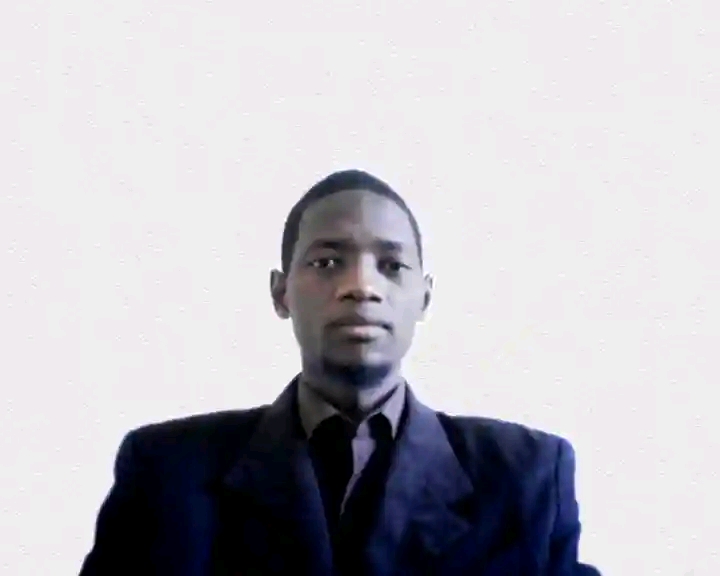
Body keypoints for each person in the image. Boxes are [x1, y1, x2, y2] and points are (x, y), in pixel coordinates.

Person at [79, 169, 601, 575]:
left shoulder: (525, 477)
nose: (361, 286)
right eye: (328, 262)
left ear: (424, 297)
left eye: (392, 266)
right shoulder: (168, 472)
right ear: (280, 292)